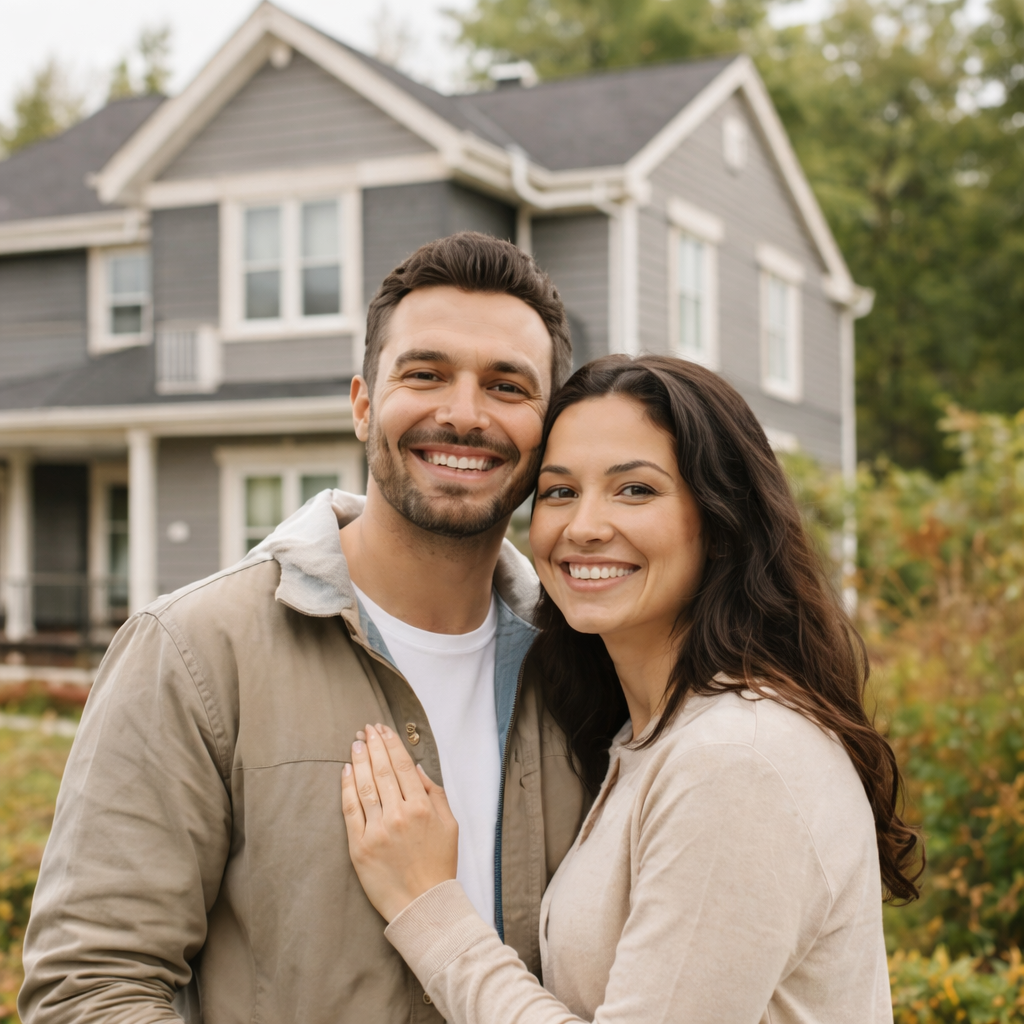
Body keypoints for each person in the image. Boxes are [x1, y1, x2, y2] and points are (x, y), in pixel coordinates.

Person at [18, 233, 590, 1024]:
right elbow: (90, 987)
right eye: (424, 375)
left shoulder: (585, 669)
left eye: (506, 387)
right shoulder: (194, 652)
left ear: (546, 427)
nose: (463, 414)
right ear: (362, 403)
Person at [341, 354, 924, 1024]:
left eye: (635, 490)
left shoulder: (737, 760)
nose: (584, 526)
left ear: (721, 519)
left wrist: (429, 905)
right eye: (559, 492)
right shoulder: (645, 739)